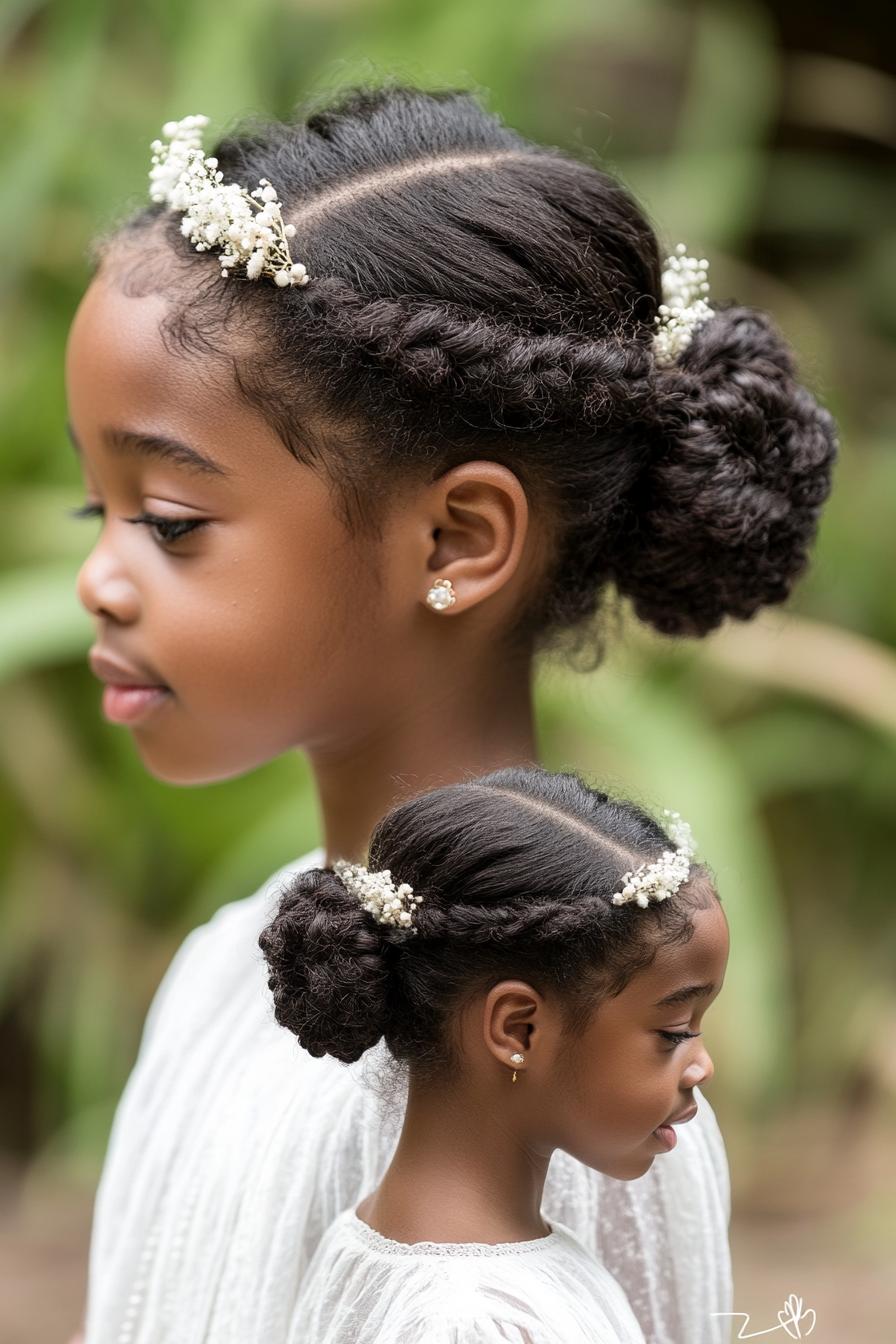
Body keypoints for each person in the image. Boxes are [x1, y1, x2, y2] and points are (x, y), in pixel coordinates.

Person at [62, 81, 838, 1344]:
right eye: (96, 515)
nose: (98, 578)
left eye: (170, 523)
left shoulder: (560, 1063)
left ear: (458, 538)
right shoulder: (230, 971)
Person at [259, 764, 729, 1343]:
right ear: (518, 1030)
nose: (703, 1065)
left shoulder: (395, 1256)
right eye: (675, 1031)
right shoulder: (472, 1320)